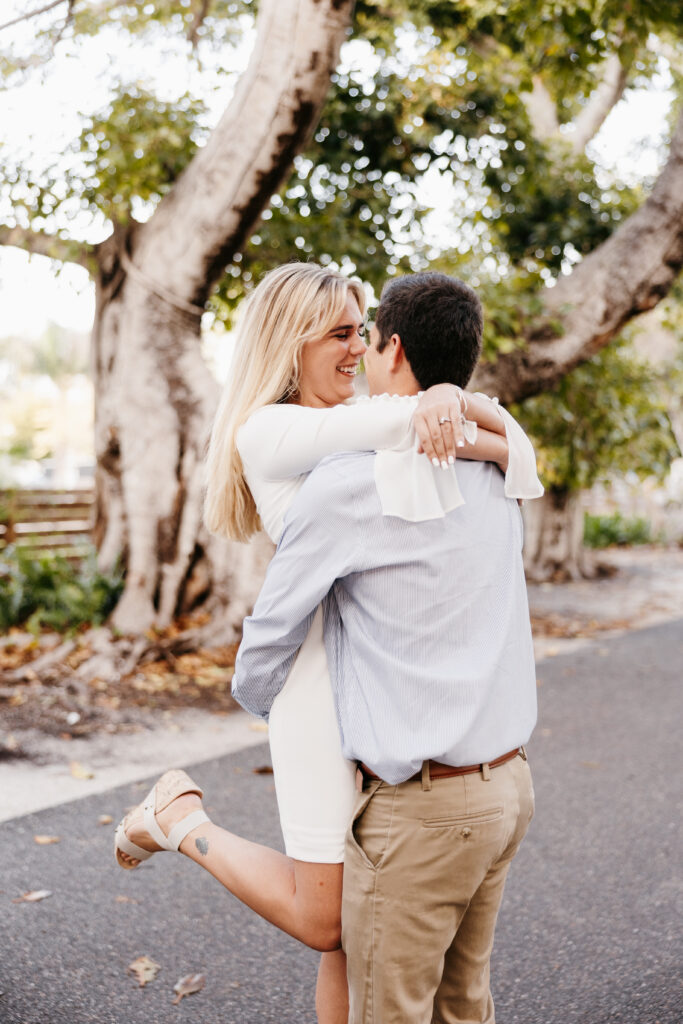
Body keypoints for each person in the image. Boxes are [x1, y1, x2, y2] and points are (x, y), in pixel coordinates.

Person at [113, 264, 541, 1023]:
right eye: (340, 333)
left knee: (354, 936)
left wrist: (464, 417)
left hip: (368, 677)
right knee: (328, 920)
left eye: (360, 333)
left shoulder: (360, 425)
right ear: (290, 342)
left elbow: (464, 441)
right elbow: (400, 424)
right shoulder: (270, 428)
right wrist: (451, 401)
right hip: (315, 688)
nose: (354, 349)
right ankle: (179, 820)